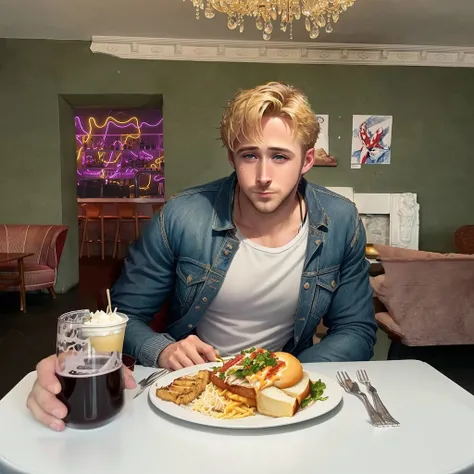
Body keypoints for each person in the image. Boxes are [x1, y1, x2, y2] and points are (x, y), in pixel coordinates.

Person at [27, 81, 377, 430]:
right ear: (232, 158)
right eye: (249, 155)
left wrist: (291, 376)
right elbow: (122, 317)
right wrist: (162, 350)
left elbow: (356, 329)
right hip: (195, 389)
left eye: (280, 156)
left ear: (307, 160)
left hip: (280, 393)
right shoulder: (182, 215)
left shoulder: (340, 219)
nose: (263, 176)